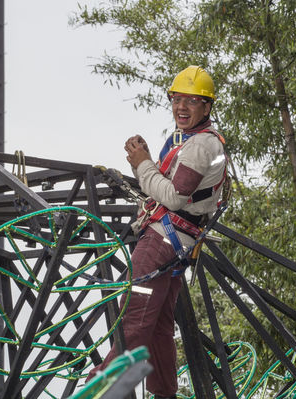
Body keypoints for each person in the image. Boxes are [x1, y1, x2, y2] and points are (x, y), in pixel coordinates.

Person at [87, 65, 227, 398]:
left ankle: (108, 379)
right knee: (160, 324)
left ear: (206, 107)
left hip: (163, 240)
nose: (182, 107)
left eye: (192, 101)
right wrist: (149, 163)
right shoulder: (197, 142)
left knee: (135, 308)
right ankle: (164, 391)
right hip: (177, 242)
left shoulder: (201, 146)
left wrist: (142, 164)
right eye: (177, 99)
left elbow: (174, 195)